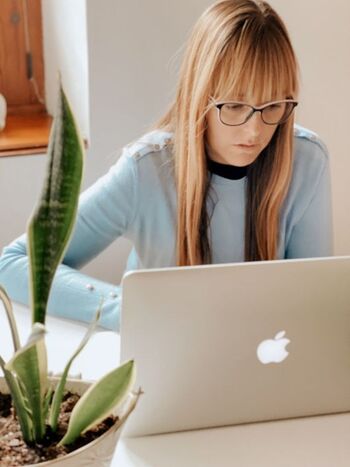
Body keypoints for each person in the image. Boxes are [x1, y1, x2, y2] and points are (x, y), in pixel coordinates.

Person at [0, 0, 333, 331]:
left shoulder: (307, 161)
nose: (254, 130)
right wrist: (133, 308)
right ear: (199, 96)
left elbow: (313, 303)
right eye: (233, 105)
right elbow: (14, 264)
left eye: (273, 105)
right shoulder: (146, 170)